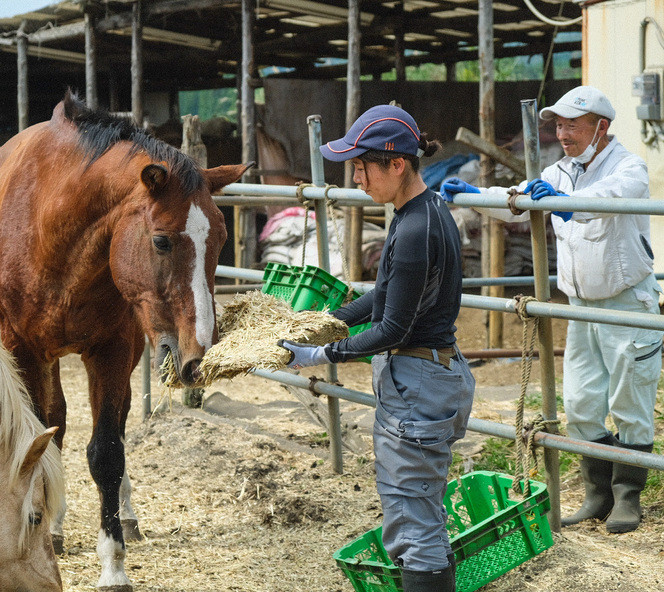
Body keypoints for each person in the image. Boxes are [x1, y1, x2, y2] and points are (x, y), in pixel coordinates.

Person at [441, 85, 661, 534]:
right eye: (558, 125)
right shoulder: (559, 170)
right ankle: (597, 494)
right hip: (580, 307)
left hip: (626, 302)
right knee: (579, 402)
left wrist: (562, 206)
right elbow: (518, 202)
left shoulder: (628, 166)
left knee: (630, 400)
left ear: (601, 127)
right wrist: (475, 194)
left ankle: (627, 495)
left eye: (572, 125)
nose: (562, 134)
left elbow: (610, 199)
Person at [277, 104, 475, 592]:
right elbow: (385, 294)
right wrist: (327, 321)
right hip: (430, 377)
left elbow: (392, 329)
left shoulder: (415, 229)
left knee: (414, 526)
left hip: (418, 386)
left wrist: (320, 355)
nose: (357, 178)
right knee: (420, 514)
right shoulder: (420, 213)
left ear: (397, 164)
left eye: (362, 166)